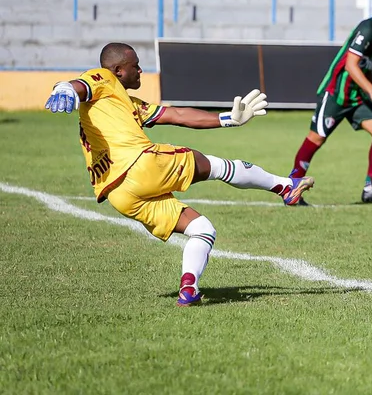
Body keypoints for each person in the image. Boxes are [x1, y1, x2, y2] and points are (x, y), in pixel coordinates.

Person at [44, 42, 315, 307]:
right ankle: (283, 187)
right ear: (117, 69)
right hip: (140, 164)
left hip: (119, 194)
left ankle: (188, 288)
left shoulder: (124, 102)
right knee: (216, 166)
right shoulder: (103, 77)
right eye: (135, 66)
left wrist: (227, 119)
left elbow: (176, 114)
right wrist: (66, 87)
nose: (140, 71)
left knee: (202, 229)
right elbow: (82, 84)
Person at [289, 0, 372, 204]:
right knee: (316, 139)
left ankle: (370, 189)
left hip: (355, 99)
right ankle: (291, 189)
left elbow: (365, 68)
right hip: (336, 95)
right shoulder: (368, 29)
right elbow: (351, 64)